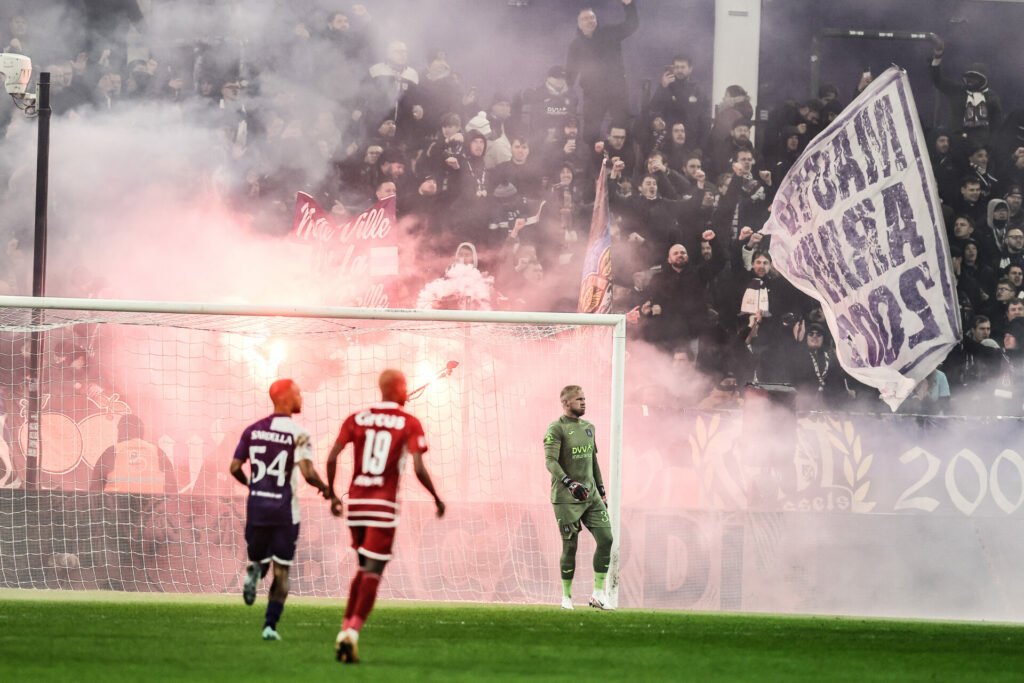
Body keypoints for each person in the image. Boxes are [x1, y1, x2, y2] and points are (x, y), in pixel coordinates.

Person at [325, 369, 445, 664]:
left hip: (355, 504)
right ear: (400, 388)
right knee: (373, 572)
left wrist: (330, 494)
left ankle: (344, 630)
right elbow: (418, 468)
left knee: (363, 567)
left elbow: (331, 457)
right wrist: (437, 498)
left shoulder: (357, 418)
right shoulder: (409, 422)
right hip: (382, 505)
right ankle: (352, 633)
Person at [229, 379, 330, 641]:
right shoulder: (299, 434)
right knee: (282, 571)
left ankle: (253, 572)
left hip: (257, 508)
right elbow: (308, 474)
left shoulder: (252, 430)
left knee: (259, 562)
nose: (301, 397)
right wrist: (327, 489)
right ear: (284, 397)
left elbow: (234, 468)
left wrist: (252, 485)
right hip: (285, 512)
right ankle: (270, 627)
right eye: (298, 393)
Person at [543, 385, 614, 611]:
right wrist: (569, 483)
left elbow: (593, 462)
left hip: (591, 496)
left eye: (584, 398)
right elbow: (550, 462)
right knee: (570, 547)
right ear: (565, 403)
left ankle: (598, 594)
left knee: (606, 539)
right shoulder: (556, 429)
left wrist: (601, 491)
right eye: (578, 399)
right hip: (566, 497)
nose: (583, 402)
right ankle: (566, 598)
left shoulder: (589, 427)